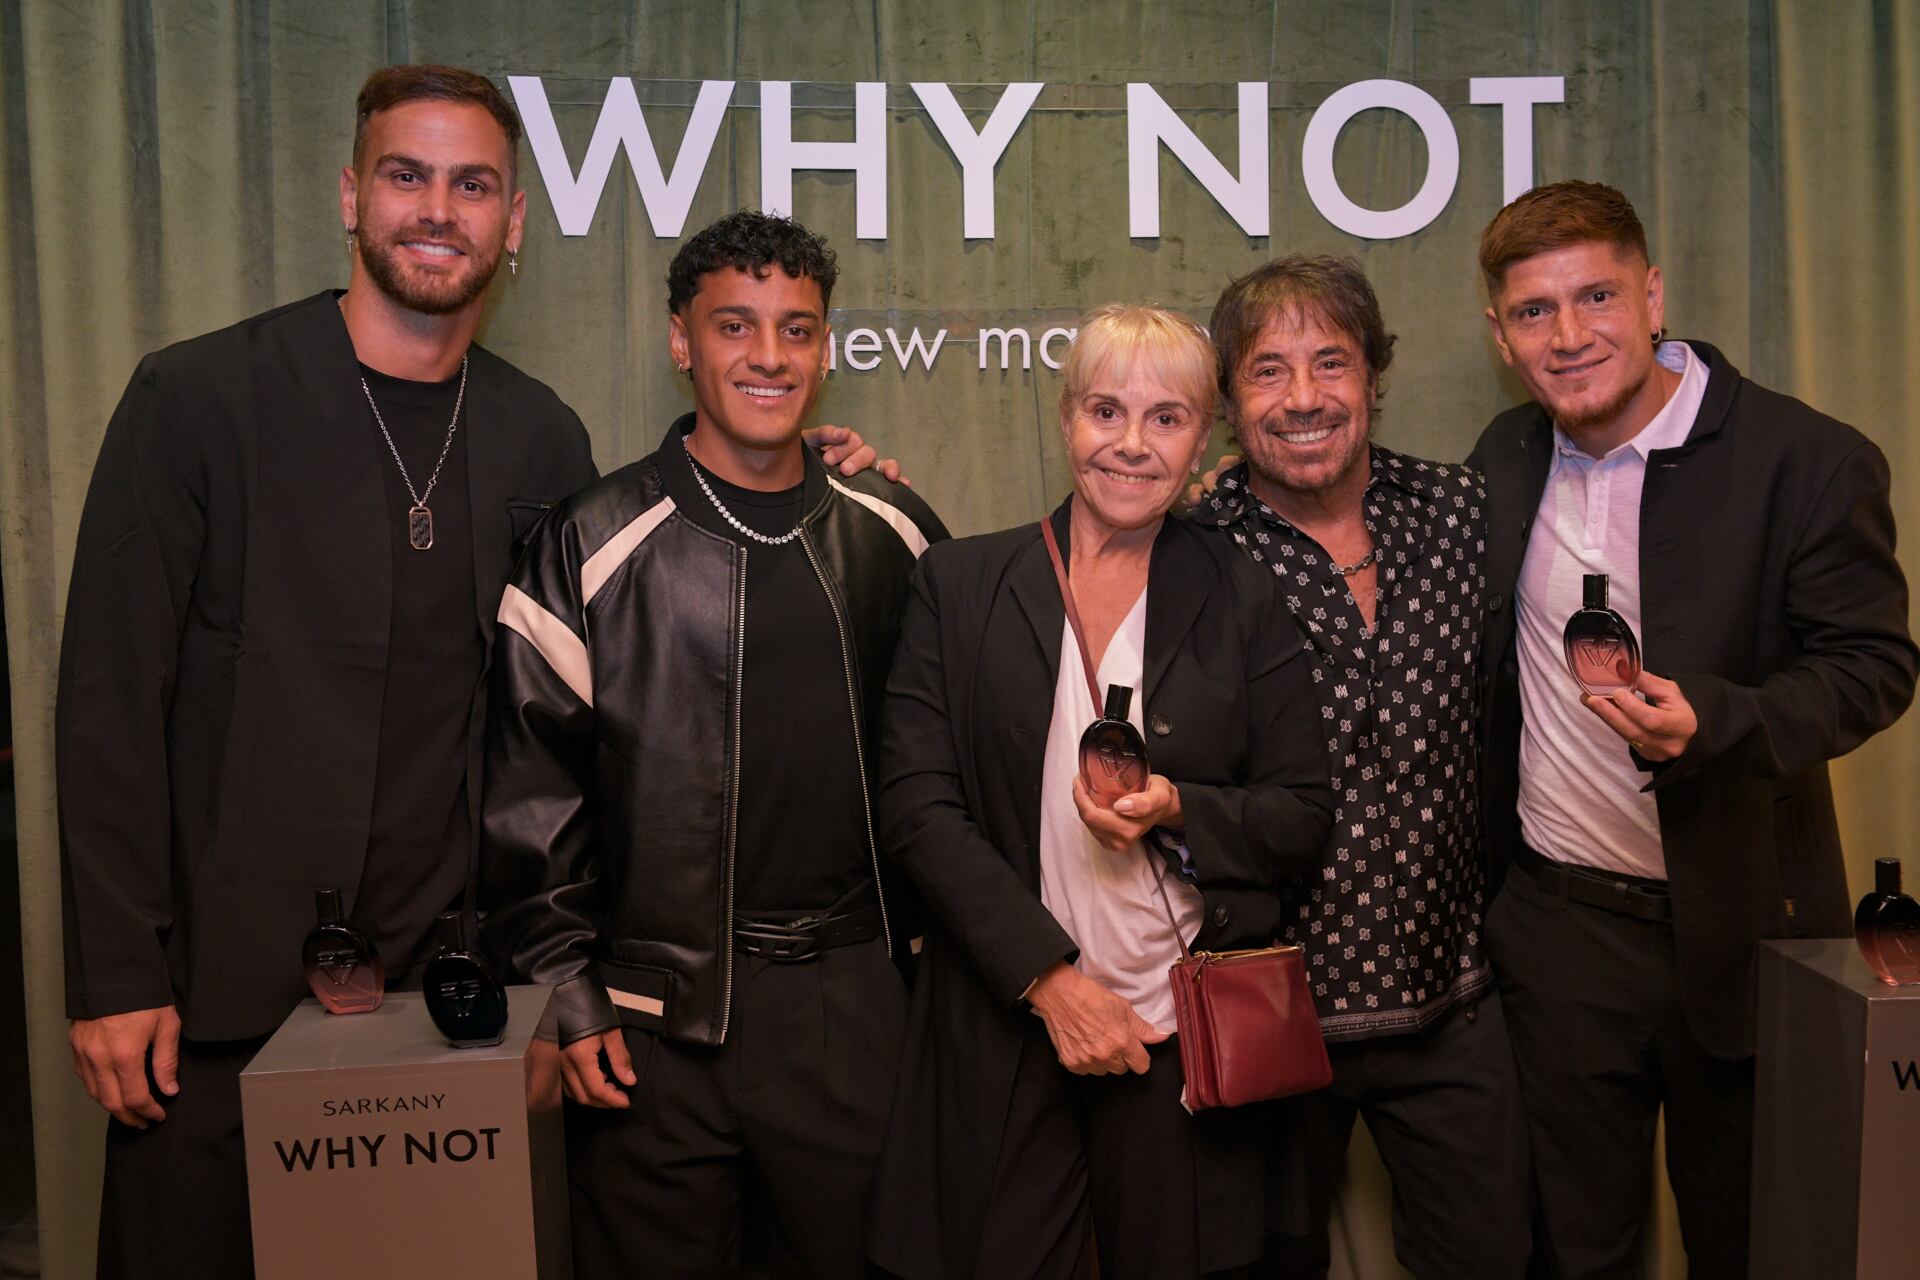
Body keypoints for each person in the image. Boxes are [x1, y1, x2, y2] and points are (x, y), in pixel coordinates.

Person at [57, 66, 884, 1280]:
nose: (437, 209)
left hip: (463, 1004)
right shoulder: (196, 399)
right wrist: (118, 970)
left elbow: (586, 702)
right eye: (407, 175)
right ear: (352, 195)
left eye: (473, 184)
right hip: (217, 997)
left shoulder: (540, 433)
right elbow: (108, 700)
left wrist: (793, 467)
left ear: (513, 224)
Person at [479, 209, 947, 1279]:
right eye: (735, 326)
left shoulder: (897, 531)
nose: (769, 356)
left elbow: (952, 765)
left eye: (797, 328)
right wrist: (567, 988)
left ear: (826, 348)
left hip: (853, 1005)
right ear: (683, 339)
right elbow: (526, 794)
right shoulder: (588, 540)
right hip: (653, 1017)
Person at [1468, 180, 1917, 1278]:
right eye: (1534, 311)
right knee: (1573, 1249)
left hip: (1744, 929)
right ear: (1500, 333)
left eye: (1596, 295)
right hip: (1559, 933)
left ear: (1653, 291)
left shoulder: (1804, 458)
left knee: (1759, 1239)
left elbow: (1874, 666)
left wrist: (1719, 716)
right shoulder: (1507, 455)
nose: (1569, 336)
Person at [867, 303, 1334, 1280]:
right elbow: (917, 805)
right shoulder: (962, 584)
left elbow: (1301, 811)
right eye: (1105, 410)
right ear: (1066, 417)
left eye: (1166, 418)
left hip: (1179, 1043)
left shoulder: (1244, 594)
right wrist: (1051, 983)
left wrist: (1178, 809)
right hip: (1010, 1023)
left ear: (1203, 436)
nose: (1130, 443)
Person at [1192, 258, 1532, 1280]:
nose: (1303, 398)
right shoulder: (1193, 548)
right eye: (1268, 371)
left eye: (1330, 362)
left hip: (1452, 1000)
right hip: (1271, 1007)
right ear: (1226, 399)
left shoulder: (1464, 509)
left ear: (1375, 376)